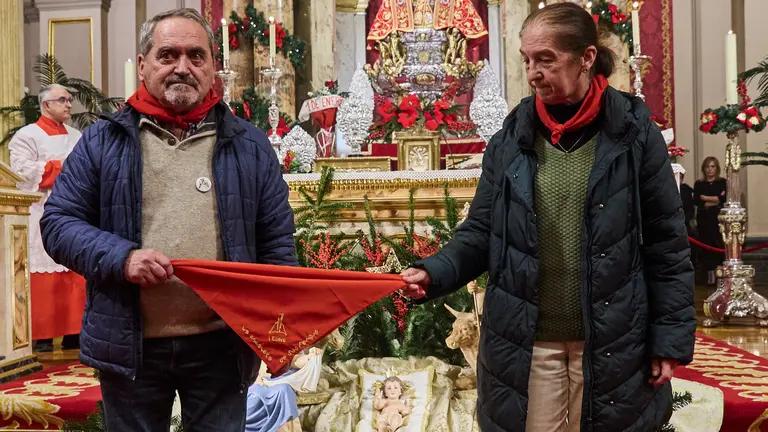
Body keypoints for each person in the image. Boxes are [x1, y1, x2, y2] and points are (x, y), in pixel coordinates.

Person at [400, 3, 696, 431]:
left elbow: (667, 246)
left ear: (587, 58)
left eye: (546, 59)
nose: (533, 72)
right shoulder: (511, 138)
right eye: (527, 60)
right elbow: (481, 231)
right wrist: (433, 272)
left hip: (613, 344)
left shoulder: (634, 134)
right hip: (528, 344)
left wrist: (668, 341)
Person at [40, 8, 297, 431]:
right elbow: (58, 223)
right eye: (168, 54)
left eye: (196, 56)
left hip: (222, 343)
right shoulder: (103, 140)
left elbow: (276, 244)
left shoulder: (249, 144)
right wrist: (123, 259)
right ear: (143, 64)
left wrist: (278, 327)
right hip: (130, 343)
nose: (183, 67)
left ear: (214, 66)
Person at [9, 84, 85, 353]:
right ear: (45, 105)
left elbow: (86, 168)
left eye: (69, 99)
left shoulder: (77, 135)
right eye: (62, 100)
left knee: (75, 265)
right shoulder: (26, 136)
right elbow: (21, 171)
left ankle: (74, 332)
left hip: (75, 209)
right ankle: (43, 334)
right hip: (41, 208)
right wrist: (61, 168)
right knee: (44, 266)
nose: (68, 104)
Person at [693, 156, 726, 285]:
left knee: (717, 243)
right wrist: (715, 199)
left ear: (716, 168)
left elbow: (722, 199)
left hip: (718, 218)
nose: (710, 169)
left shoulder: (722, 182)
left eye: (712, 166)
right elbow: (697, 200)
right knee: (706, 245)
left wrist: (706, 198)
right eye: (707, 166)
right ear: (704, 169)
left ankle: (719, 273)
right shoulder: (699, 184)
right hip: (704, 219)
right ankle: (709, 274)